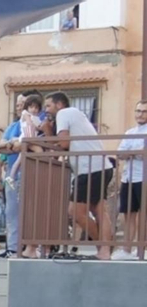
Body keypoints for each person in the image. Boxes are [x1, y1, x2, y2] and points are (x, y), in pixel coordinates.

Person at [48, 91, 115, 260]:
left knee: (75, 212)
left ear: (59, 104)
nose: (46, 109)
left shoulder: (63, 113)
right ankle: (106, 249)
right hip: (100, 166)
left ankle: (104, 246)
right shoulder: (76, 114)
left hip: (89, 168)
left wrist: (46, 131)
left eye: (48, 105)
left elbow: (64, 143)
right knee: (99, 209)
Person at [0, 94, 47, 259]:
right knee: (12, 212)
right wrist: (13, 145)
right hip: (14, 172)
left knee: (33, 211)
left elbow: (39, 145)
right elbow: (1, 146)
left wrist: (18, 145)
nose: (20, 107)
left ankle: (35, 247)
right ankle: (13, 248)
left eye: (23, 104)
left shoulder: (41, 122)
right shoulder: (13, 125)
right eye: (19, 105)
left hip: (34, 172)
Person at [117, 101, 147, 260]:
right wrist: (135, 153)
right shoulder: (130, 132)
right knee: (128, 214)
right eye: (138, 111)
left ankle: (143, 248)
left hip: (143, 178)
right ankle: (127, 249)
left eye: (144, 111)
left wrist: (133, 153)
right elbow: (120, 153)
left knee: (144, 215)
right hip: (128, 178)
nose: (140, 114)